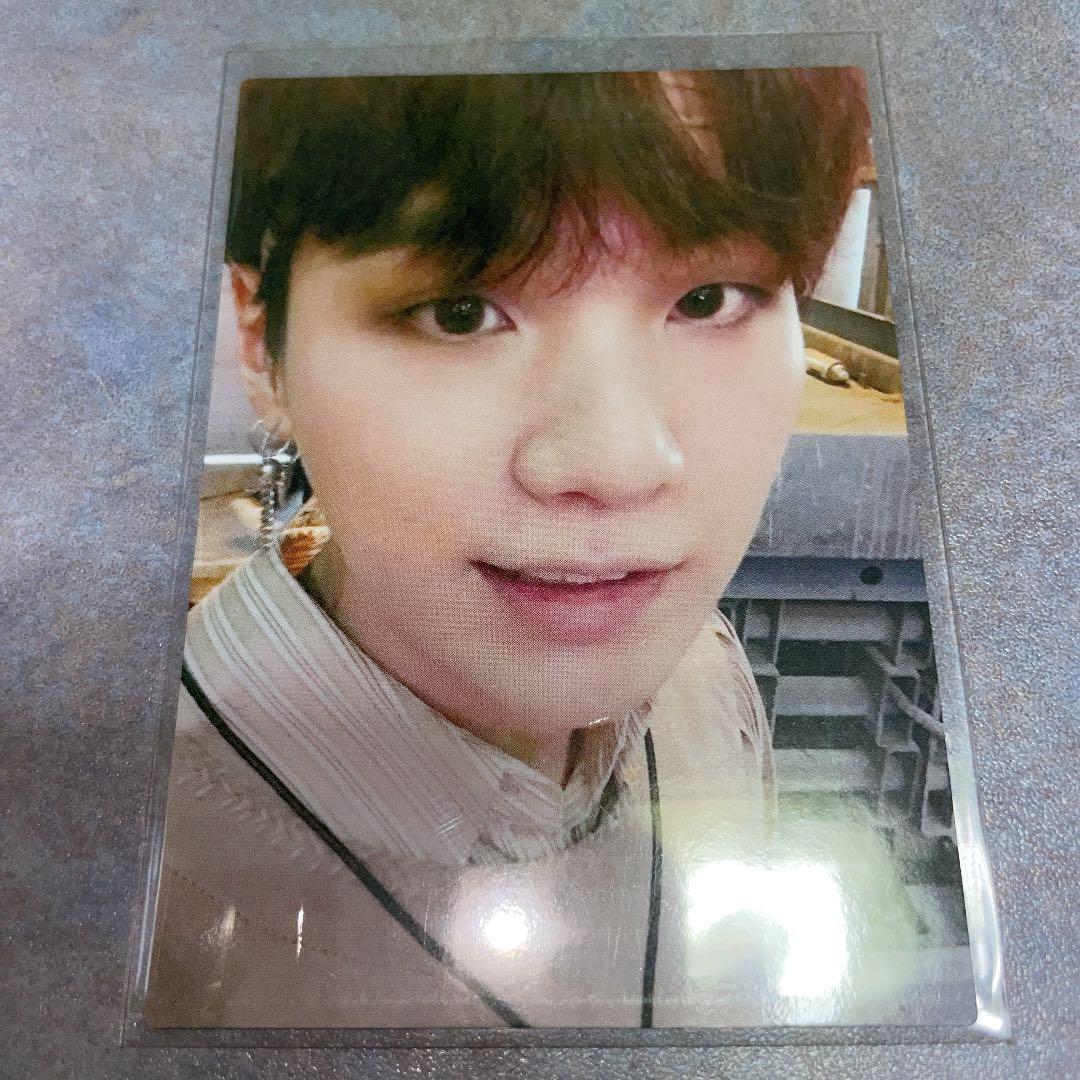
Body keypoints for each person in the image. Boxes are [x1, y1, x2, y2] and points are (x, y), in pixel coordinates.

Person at [145, 68, 938, 1029]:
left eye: (708, 299)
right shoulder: (117, 872)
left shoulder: (704, 684)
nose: (616, 461)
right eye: (461, 311)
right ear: (262, 342)